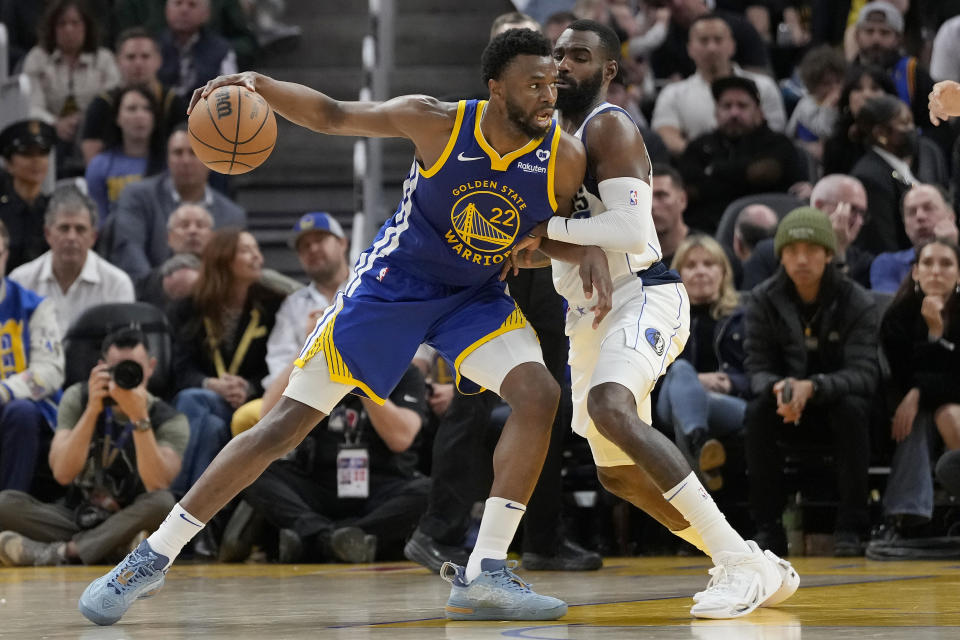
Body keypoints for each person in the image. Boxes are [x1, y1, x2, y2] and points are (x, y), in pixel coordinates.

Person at [78, 27, 608, 625]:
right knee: (281, 429)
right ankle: (151, 558)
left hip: (473, 297)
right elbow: (331, 115)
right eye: (534, 84)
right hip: (392, 289)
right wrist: (259, 85)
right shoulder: (435, 121)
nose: (548, 94)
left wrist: (578, 249)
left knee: (538, 393)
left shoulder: (564, 158)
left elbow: (540, 242)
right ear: (494, 89)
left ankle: (487, 570)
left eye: (552, 83)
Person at [515, 20, 797, 619]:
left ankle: (738, 563)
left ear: (610, 71)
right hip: (587, 312)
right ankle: (746, 557)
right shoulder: (552, 141)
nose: (563, 66)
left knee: (609, 407)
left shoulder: (608, 125)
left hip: (644, 293)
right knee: (617, 473)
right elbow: (551, 243)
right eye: (558, 55)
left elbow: (629, 230)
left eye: (580, 56)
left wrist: (543, 233)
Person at [744, 207, 879, 557]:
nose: (801, 259)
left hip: (836, 405)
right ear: (781, 257)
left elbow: (865, 373)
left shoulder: (857, 301)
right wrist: (780, 388)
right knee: (757, 411)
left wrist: (814, 387)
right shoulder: (762, 298)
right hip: (786, 405)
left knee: (852, 409)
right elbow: (756, 369)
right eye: (791, 251)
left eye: (811, 250)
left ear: (829, 254)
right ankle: (767, 528)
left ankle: (851, 526)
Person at [0, 328, 186, 566]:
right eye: (117, 369)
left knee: (163, 503)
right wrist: (92, 410)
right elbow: (63, 473)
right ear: (101, 366)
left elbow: (157, 483)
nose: (124, 376)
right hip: (76, 514)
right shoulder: (78, 397)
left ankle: (61, 552)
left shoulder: (168, 417)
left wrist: (139, 417)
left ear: (150, 367)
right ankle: (117, 549)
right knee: (5, 503)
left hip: (130, 515)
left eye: (134, 368)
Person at [167, 230, 286, 497]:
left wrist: (250, 387)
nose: (257, 256)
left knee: (208, 422)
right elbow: (180, 369)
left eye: (256, 249)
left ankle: (171, 508)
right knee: (202, 411)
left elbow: (278, 362)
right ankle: (198, 523)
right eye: (246, 250)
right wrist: (212, 384)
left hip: (251, 402)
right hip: (204, 401)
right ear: (223, 259)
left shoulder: (272, 304)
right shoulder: (188, 308)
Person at [872, 239, 960, 543]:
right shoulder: (897, 316)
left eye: (946, 264)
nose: (936, 271)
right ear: (915, 271)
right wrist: (933, 336)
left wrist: (919, 391)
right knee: (918, 417)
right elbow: (901, 377)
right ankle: (909, 517)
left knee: (950, 414)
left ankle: (907, 515)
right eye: (928, 263)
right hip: (912, 410)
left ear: (959, 274)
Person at [659, 235, 748, 491]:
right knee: (681, 370)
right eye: (691, 265)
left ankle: (697, 449)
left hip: (727, 402)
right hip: (669, 400)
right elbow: (649, 376)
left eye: (709, 264)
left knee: (687, 410)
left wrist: (731, 382)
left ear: (723, 272)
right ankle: (701, 446)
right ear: (679, 274)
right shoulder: (664, 320)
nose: (700, 272)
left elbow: (761, 371)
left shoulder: (744, 318)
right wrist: (693, 383)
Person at [108, 125, 247, 280]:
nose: (186, 161)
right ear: (167, 159)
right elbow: (130, 253)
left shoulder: (233, 216)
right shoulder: (138, 196)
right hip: (151, 296)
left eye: (194, 153)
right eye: (178, 153)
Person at [678, 75, 808, 235]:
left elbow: (764, 173)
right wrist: (744, 175)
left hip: (767, 231)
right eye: (727, 106)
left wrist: (714, 171)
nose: (734, 113)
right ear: (716, 112)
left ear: (758, 112)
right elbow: (688, 190)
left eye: (742, 106)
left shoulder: (777, 144)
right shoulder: (699, 146)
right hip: (705, 230)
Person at [651, 13, 786, 157]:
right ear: (690, 48)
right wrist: (704, 159)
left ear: (732, 46)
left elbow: (776, 133)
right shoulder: (673, 93)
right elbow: (665, 134)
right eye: (704, 41)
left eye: (718, 39)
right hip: (698, 172)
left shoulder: (764, 86)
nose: (712, 48)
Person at [8, 185, 135, 336]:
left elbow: (123, 347)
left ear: (93, 237)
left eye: (80, 229)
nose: (71, 237)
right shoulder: (20, 281)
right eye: (64, 228)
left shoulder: (117, 284)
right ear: (48, 234)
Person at [0, 219, 64, 497]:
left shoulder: (34, 305)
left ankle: (8, 513)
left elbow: (50, 371)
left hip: (17, 405)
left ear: (6, 254)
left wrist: (4, 391)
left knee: (22, 412)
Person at [22, 0, 121, 177]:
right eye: (62, 24)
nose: (69, 29)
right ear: (52, 29)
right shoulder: (37, 58)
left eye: (75, 23)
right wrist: (55, 123)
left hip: (94, 133)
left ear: (86, 26)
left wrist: (86, 119)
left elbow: (112, 98)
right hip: (50, 135)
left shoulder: (104, 59)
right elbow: (31, 105)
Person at [850, 94, 947, 255]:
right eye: (904, 123)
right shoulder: (870, 177)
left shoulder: (899, 165)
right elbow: (883, 246)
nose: (912, 129)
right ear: (880, 133)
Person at [742, 174, 874, 290]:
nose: (858, 221)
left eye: (862, 214)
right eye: (851, 210)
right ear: (819, 206)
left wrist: (838, 252)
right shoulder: (769, 253)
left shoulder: (864, 264)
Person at [81, 27, 187, 165]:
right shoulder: (102, 105)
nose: (138, 63)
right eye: (131, 57)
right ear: (118, 61)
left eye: (145, 56)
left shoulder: (175, 104)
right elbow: (92, 160)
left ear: (159, 61)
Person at [83, 85, 164, 222]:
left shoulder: (170, 163)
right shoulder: (99, 166)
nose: (140, 115)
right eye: (132, 109)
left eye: (147, 109)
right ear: (117, 118)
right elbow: (98, 220)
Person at [871, 184, 959, 293]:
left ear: (951, 217)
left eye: (929, 208)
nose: (920, 216)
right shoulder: (887, 264)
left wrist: (952, 251)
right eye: (911, 212)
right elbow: (893, 308)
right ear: (905, 225)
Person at [0, 119, 56, 271]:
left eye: (43, 153)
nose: (36, 161)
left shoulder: (56, 209)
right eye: (27, 154)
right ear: (9, 164)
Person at [135, 204, 213, 311]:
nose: (193, 231)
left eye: (200, 225)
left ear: (212, 236)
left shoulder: (226, 277)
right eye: (184, 225)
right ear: (169, 238)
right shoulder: (148, 283)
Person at [158, 0, 238, 100]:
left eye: (192, 5)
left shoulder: (221, 50)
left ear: (206, 13)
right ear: (167, 10)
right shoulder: (154, 46)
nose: (184, 10)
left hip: (206, 110)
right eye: (178, 3)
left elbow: (230, 92)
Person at [650, 163, 691, 265]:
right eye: (646, 197)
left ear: (682, 200)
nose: (652, 205)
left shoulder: (710, 253)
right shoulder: (628, 260)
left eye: (661, 195)